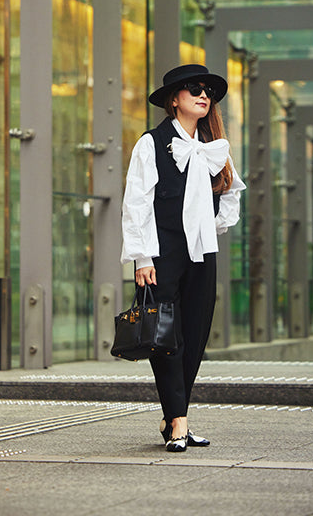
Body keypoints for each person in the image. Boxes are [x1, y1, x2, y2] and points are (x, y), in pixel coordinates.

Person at [121, 63, 246, 452]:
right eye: (193, 88)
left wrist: (210, 225)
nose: (203, 94)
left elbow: (232, 194)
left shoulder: (213, 148)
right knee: (165, 336)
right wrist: (142, 257)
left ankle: (174, 415)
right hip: (161, 254)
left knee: (194, 336)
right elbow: (135, 204)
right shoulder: (152, 143)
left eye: (207, 89)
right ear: (174, 100)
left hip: (202, 251)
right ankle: (179, 421)